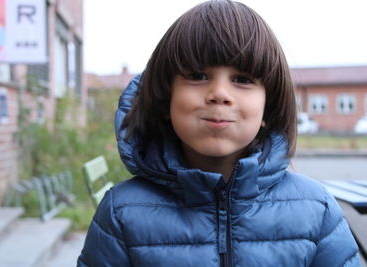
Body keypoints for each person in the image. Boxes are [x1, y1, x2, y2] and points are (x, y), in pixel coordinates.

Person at [78, 0, 360, 266]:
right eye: (198, 75)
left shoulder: (317, 210)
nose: (219, 94)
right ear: (165, 99)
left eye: (242, 79)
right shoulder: (121, 213)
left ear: (268, 109)